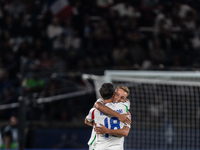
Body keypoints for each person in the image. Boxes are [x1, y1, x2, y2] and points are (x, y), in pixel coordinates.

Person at [85, 83, 131, 150]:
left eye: (122, 97)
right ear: (113, 94)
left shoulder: (95, 110)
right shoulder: (125, 110)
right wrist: (118, 115)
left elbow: (87, 121)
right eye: (117, 95)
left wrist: (105, 129)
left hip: (98, 145)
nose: (118, 99)